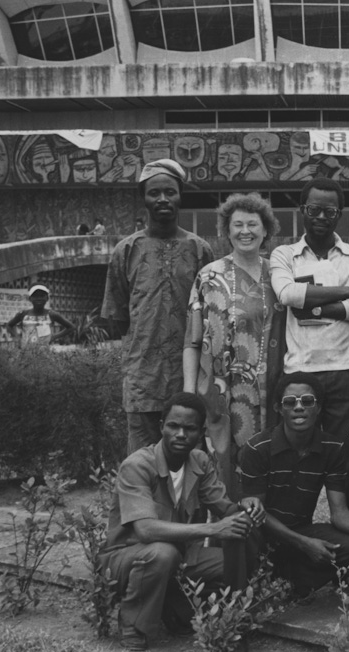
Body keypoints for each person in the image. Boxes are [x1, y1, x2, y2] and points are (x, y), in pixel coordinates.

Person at [100, 392, 265, 652]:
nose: (180, 434)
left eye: (189, 428)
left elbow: (225, 507)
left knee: (235, 556)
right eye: (173, 426)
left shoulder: (199, 460)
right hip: (125, 558)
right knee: (162, 553)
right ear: (161, 426)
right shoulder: (137, 465)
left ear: (200, 434)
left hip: (181, 554)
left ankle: (215, 620)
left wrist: (247, 505)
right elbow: (145, 530)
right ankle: (133, 626)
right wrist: (212, 529)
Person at [103, 159, 214, 456]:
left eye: (170, 192)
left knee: (190, 459)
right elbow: (117, 317)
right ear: (144, 198)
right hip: (142, 378)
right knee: (142, 462)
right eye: (154, 193)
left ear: (180, 196)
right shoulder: (126, 250)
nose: (163, 199)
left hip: (188, 376)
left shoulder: (200, 250)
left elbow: (210, 317)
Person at [183, 193, 286, 496]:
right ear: (226, 230)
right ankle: (223, 534)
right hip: (219, 392)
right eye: (237, 224)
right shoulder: (209, 276)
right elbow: (192, 340)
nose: (245, 231)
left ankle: (267, 536)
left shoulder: (279, 275)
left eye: (253, 224)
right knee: (220, 469)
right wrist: (189, 392)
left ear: (266, 230)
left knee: (268, 465)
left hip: (271, 390)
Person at [239, 372, 349, 596]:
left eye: (307, 401)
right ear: (279, 409)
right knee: (245, 523)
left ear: (318, 407)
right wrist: (303, 543)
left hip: (300, 529)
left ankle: (291, 585)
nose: (299, 407)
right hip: (263, 533)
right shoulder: (257, 448)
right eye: (290, 402)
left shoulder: (332, 447)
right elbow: (256, 514)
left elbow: (339, 513)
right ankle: (270, 584)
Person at [270, 178, 349, 437]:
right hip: (300, 370)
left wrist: (317, 309)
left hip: (345, 370)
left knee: (345, 450)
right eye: (313, 210)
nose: (321, 217)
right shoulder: (285, 254)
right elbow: (287, 293)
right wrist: (345, 292)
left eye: (330, 212)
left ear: (339, 214)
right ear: (302, 210)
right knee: (301, 449)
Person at [6, 284, 73, 345]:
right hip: (25, 352)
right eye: (35, 296)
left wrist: (54, 337)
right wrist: (17, 337)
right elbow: (9, 325)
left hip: (44, 354)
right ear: (30, 299)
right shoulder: (24, 314)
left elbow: (71, 327)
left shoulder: (51, 314)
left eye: (42, 296)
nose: (39, 298)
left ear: (47, 298)